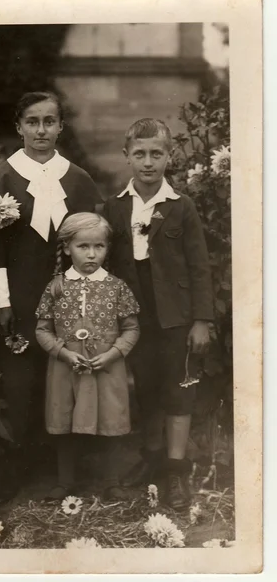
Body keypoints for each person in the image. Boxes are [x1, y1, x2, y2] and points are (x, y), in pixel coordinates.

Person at [0, 91, 101, 502]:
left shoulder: (79, 179)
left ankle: (65, 471)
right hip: (21, 296)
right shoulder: (2, 178)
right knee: (19, 381)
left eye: (50, 121)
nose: (42, 130)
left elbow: (94, 242)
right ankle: (18, 468)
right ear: (19, 127)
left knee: (64, 381)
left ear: (61, 127)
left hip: (68, 299)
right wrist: (2, 303)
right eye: (33, 121)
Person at [103, 118, 213, 511]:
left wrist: (202, 320)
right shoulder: (114, 208)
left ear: (169, 156)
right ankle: (151, 459)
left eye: (156, 154)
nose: (148, 162)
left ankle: (176, 469)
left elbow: (200, 267)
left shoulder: (182, 207)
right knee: (145, 385)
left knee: (179, 388)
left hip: (176, 316)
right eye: (140, 154)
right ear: (127, 157)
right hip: (134, 314)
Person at [35, 213, 140, 500]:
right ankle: (65, 482)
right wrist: (63, 353)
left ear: (107, 248)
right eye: (83, 247)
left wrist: (114, 354)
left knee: (110, 420)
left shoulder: (116, 287)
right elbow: (42, 330)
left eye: (99, 246)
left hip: (106, 367)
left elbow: (131, 329)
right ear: (67, 248)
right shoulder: (56, 287)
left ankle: (111, 481)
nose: (92, 254)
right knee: (64, 419)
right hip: (66, 367)